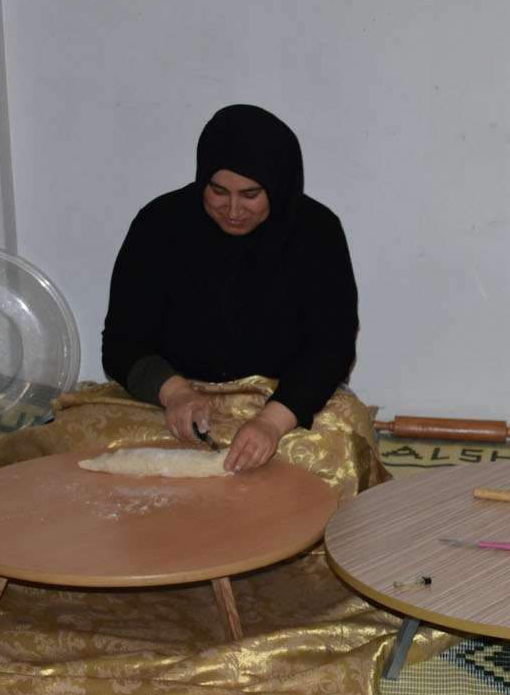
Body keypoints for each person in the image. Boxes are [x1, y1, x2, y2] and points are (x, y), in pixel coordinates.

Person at [101, 103, 362, 473]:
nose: (234, 210)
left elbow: (331, 347)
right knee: (85, 451)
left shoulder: (317, 232)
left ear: (278, 186)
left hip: (281, 402)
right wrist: (174, 393)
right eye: (218, 191)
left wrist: (271, 423)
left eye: (251, 194)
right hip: (172, 403)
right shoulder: (159, 224)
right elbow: (121, 341)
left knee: (332, 461)